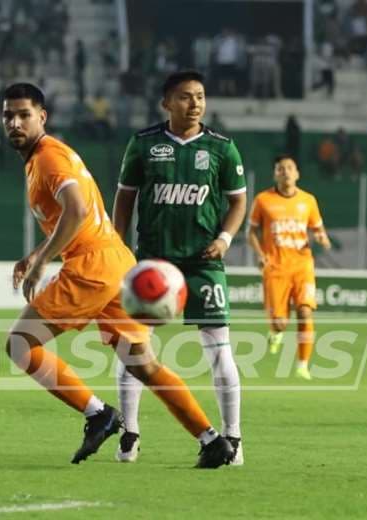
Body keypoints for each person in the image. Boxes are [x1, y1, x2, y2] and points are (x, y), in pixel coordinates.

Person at [2, 82, 234, 468]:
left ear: (42, 117)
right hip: (116, 264)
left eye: (24, 114)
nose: (15, 123)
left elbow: (75, 210)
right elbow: (74, 216)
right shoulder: (44, 158)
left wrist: (43, 259)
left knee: (20, 345)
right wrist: (34, 255)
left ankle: (98, 414)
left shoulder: (48, 158)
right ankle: (212, 440)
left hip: (92, 268)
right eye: (8, 115)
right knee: (143, 364)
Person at [112, 70, 247, 464]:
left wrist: (224, 239)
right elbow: (124, 199)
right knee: (132, 349)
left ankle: (234, 438)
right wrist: (119, 249)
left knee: (220, 350)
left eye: (201, 96)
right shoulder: (143, 144)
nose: (195, 104)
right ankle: (130, 433)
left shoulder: (223, 148)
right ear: (166, 103)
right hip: (152, 264)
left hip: (204, 262)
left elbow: (238, 200)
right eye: (186, 97)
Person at [247, 155, 331, 381]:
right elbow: (251, 233)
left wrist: (322, 238)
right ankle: (276, 332)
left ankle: (303, 365)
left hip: (302, 265)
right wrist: (260, 255)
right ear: (275, 174)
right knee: (280, 323)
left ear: (297, 174)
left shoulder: (308, 200)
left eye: (290, 168)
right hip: (275, 268)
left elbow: (317, 228)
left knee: (304, 311)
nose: (286, 172)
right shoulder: (263, 200)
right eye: (281, 168)